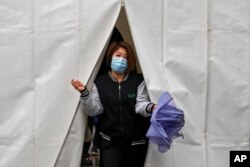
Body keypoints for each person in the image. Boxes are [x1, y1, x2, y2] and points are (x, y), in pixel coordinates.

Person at [72, 41, 156, 167]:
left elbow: (140, 104)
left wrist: (152, 107)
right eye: (118, 55)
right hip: (110, 142)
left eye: (125, 57)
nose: (121, 59)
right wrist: (84, 93)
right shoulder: (100, 82)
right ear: (110, 56)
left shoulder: (138, 80)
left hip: (136, 142)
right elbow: (95, 110)